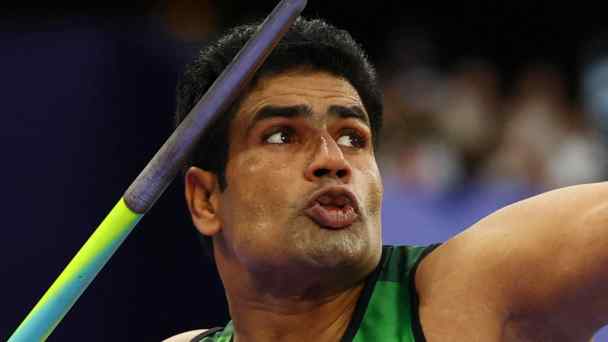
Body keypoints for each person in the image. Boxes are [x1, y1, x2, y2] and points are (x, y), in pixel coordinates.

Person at [165, 18, 607, 341]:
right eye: (282, 135)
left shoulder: (471, 291)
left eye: (352, 137)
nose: (332, 160)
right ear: (206, 198)